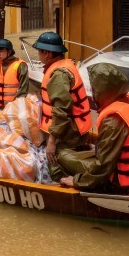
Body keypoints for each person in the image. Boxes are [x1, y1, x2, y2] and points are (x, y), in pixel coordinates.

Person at [57, 64, 129, 193]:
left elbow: (103, 167)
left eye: (94, 90)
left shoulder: (113, 121)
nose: (93, 95)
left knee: (62, 156)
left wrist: (77, 181)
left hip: (121, 182)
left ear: (102, 91)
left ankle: (66, 185)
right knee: (75, 154)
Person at [33, 31, 93, 180]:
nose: (38, 55)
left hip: (68, 131)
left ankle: (78, 182)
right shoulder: (65, 66)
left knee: (56, 165)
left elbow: (61, 111)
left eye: (39, 51)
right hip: (77, 128)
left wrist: (52, 142)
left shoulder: (58, 75)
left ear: (47, 53)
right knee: (73, 156)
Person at [0, 38, 29, 109]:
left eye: (1, 51)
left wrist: (14, 107)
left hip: (13, 108)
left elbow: (23, 89)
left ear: (9, 51)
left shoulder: (20, 65)